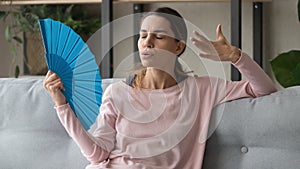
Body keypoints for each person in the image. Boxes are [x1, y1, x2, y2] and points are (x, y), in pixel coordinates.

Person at [43, 7, 277, 169]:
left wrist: (235, 56)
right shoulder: (117, 93)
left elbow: (264, 88)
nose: (147, 41)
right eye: (143, 35)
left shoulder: (201, 90)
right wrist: (61, 105)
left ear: (178, 47)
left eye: (158, 36)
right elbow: (97, 154)